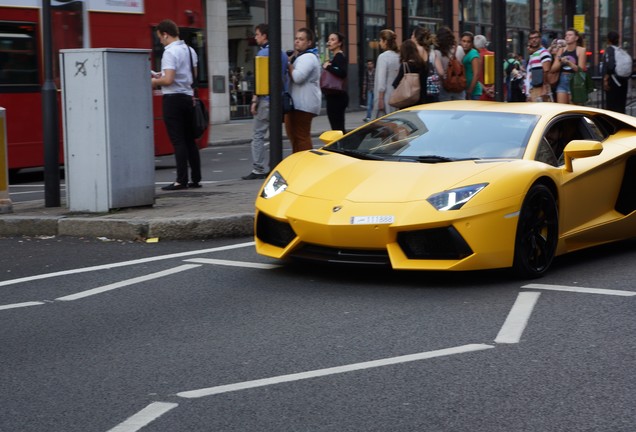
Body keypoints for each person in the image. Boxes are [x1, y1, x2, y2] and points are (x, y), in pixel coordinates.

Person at [151, 19, 201, 191]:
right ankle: (195, 178)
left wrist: (153, 80)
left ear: (165, 34)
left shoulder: (169, 52)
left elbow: (169, 80)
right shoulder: (189, 50)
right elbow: (192, 76)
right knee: (190, 140)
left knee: (178, 140)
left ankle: (181, 180)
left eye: (160, 37)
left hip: (173, 99)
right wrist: (162, 75)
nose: (160, 41)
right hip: (188, 98)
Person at [242, 23, 289, 180]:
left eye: (257, 34)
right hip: (278, 100)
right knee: (275, 134)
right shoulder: (281, 54)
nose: (255, 37)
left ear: (264, 36)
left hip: (265, 99)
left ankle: (258, 168)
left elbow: (260, 80)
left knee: (258, 134)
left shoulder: (263, 53)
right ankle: (275, 165)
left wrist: (254, 100)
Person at [284, 27, 322, 153]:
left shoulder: (308, 57)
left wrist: (289, 65)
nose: (297, 41)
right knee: (296, 137)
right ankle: (299, 163)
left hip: (303, 104)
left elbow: (297, 77)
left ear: (309, 42)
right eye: (296, 38)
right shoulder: (302, 57)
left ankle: (306, 164)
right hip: (299, 104)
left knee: (301, 137)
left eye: (301, 39)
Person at [550, 28, 587, 104]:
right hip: (562, 79)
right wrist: (560, 62)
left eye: (570, 35)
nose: (567, 37)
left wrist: (569, 63)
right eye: (566, 35)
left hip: (574, 80)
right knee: (562, 108)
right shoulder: (562, 50)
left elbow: (581, 69)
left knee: (573, 108)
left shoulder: (581, 50)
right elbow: (553, 69)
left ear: (576, 38)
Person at [322, 32, 348, 132]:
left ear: (339, 43)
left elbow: (342, 73)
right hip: (335, 96)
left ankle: (342, 146)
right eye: (329, 40)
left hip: (337, 97)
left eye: (333, 40)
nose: (329, 42)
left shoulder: (339, 57)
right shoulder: (336, 57)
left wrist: (328, 67)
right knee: (337, 127)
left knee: (337, 128)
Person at [412, 26, 443, 103]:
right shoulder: (432, 52)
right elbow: (441, 72)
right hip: (431, 90)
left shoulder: (415, 50)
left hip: (418, 90)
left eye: (412, 35)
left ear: (415, 38)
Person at [391, 39, 427, 107]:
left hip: (407, 100)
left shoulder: (405, 65)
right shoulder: (423, 64)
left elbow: (395, 83)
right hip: (420, 99)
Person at [373, 29, 400, 117]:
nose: (380, 43)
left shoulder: (383, 57)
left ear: (385, 41)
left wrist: (380, 99)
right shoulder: (398, 56)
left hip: (385, 97)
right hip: (396, 96)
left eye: (380, 40)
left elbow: (381, 80)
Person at [436, 26, 465, 101]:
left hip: (445, 86)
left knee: (445, 110)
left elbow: (441, 72)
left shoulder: (437, 52)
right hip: (459, 84)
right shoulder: (459, 49)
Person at [603, 30, 629, 114]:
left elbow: (610, 66)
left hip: (613, 82)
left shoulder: (609, 50)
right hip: (623, 81)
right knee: (621, 107)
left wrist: (606, 79)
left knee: (612, 108)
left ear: (608, 40)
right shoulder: (621, 50)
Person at [526, 30, 553, 102]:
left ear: (540, 39)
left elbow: (546, 71)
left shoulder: (544, 53)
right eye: (531, 38)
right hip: (533, 88)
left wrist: (544, 87)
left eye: (536, 37)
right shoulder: (534, 54)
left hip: (540, 88)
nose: (534, 40)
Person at [460, 31, 482, 100]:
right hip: (465, 90)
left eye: (468, 42)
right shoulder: (463, 52)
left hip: (473, 92)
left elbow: (476, 74)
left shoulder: (473, 53)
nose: (465, 44)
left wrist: (470, 91)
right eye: (464, 41)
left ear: (472, 43)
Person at [474, 34, 495, 100]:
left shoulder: (474, 56)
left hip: (478, 92)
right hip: (492, 92)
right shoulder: (493, 55)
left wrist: (485, 89)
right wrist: (492, 88)